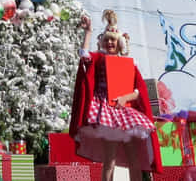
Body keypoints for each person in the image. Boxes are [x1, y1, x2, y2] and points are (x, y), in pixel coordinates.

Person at [69, 10, 161, 181]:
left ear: (119, 43)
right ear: (103, 42)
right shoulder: (99, 58)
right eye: (107, 39)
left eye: (113, 39)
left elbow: (138, 90)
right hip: (106, 112)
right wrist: (88, 32)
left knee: (134, 160)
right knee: (109, 160)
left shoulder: (129, 63)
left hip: (125, 112)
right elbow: (84, 56)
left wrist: (126, 98)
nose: (110, 42)